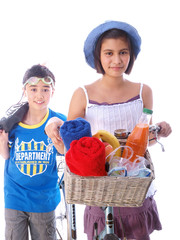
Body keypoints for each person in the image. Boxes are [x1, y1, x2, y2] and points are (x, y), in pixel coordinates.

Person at [45, 21, 172, 240]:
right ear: (98, 56)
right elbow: (71, 143)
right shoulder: (82, 94)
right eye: (109, 53)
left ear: (131, 55)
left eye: (123, 52)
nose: (117, 60)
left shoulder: (144, 92)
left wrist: (157, 132)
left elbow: (141, 141)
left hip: (134, 187)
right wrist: (54, 125)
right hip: (99, 188)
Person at [0, 64, 66, 240]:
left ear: (53, 91)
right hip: (15, 195)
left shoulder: (58, 121)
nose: (39, 95)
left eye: (45, 89)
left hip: (44, 199)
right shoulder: (13, 122)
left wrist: (56, 135)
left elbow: (66, 152)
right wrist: (3, 141)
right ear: (24, 91)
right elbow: (6, 156)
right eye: (33, 89)